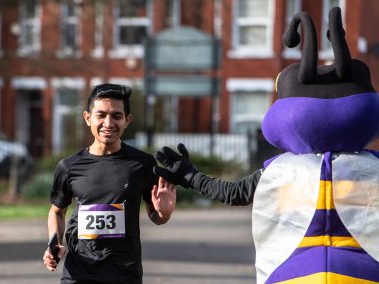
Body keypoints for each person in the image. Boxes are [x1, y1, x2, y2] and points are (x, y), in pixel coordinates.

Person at [154, 7, 379, 284]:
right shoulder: (373, 168)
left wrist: (190, 176)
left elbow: (233, 192)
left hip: (294, 272)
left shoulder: (280, 171)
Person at [43, 83, 176, 284]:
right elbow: (56, 211)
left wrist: (164, 214)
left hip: (124, 273)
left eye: (116, 116)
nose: (108, 123)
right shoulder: (69, 166)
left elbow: (155, 216)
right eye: (101, 115)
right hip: (78, 273)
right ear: (88, 118)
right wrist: (54, 243)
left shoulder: (142, 164)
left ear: (127, 120)